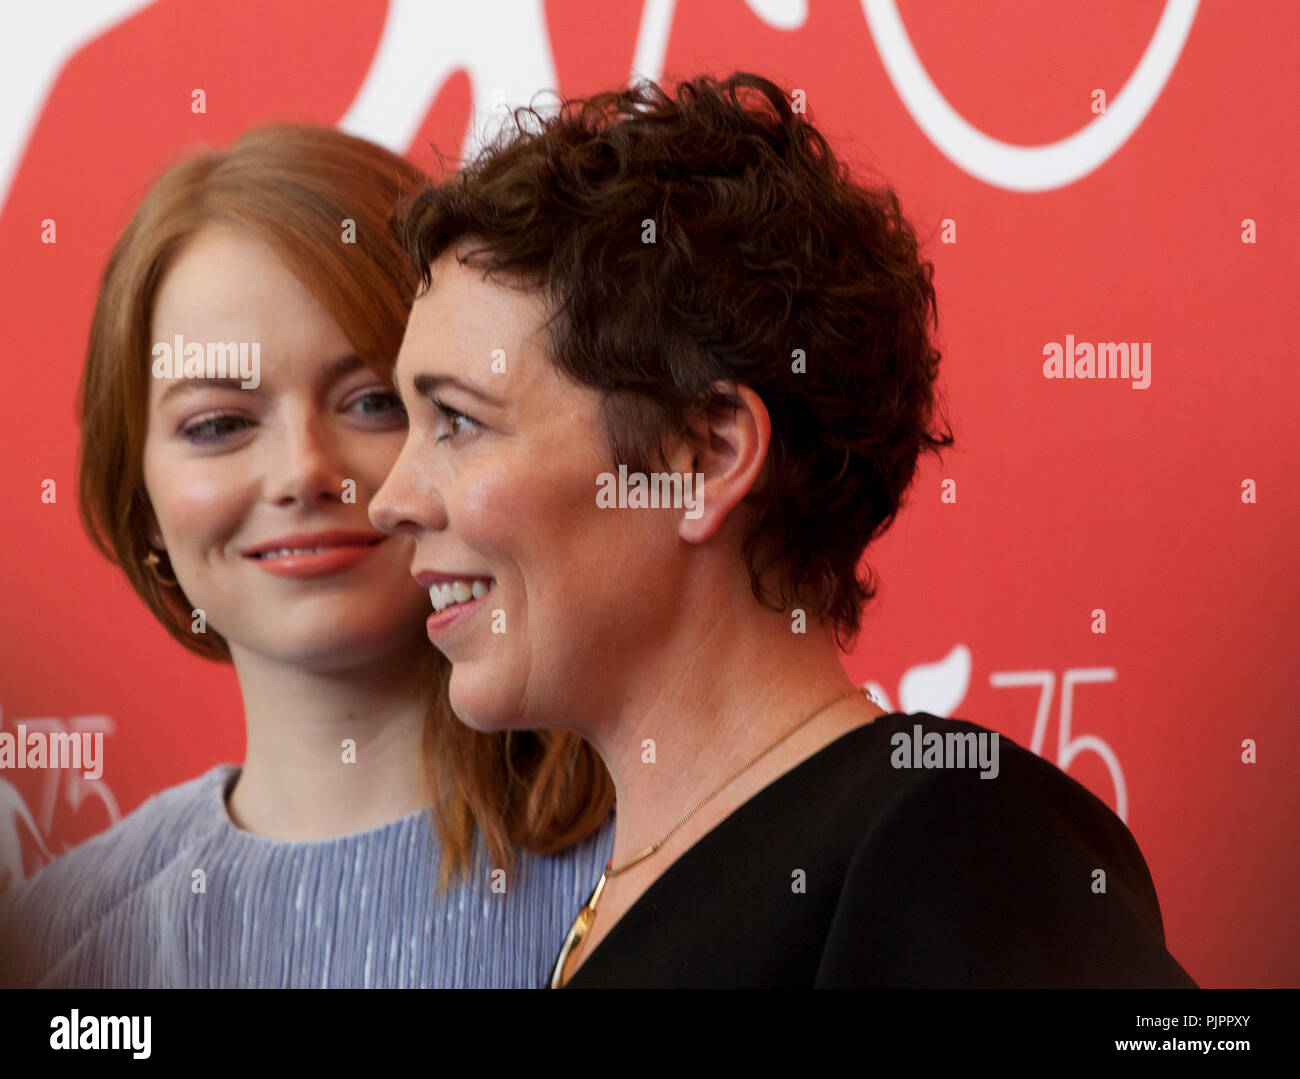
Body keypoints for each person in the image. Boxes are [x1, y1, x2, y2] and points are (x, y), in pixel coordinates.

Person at [369, 72, 1197, 988]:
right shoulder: (623, 890)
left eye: (459, 422)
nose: (391, 497)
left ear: (705, 456)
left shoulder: (956, 842)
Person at [0, 123, 613, 989]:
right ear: (137, 499)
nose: (304, 472)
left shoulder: (664, 857)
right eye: (218, 424)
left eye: (371, 402)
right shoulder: (53, 945)